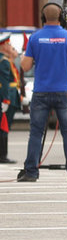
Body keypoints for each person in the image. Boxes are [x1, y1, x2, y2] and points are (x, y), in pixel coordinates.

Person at [18, 0, 67, 182]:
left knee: (35, 132)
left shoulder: (35, 38)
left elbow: (25, 66)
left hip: (41, 92)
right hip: (64, 92)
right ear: (63, 18)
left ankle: (31, 173)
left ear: (43, 18)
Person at [0, 32, 21, 163]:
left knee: (4, 126)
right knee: (4, 127)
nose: (11, 46)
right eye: (8, 44)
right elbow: (4, 82)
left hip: (11, 95)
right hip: (8, 97)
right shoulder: (4, 61)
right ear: (3, 46)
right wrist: (6, 100)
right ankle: (3, 155)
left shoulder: (6, 60)